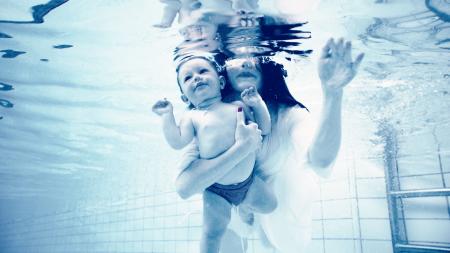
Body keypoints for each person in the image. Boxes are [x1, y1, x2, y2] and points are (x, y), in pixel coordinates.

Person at [174, 38, 364, 253]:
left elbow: (321, 161)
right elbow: (185, 186)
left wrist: (333, 93)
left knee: (279, 241)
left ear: (267, 67)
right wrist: (241, 149)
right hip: (229, 202)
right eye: (236, 57)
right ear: (222, 73)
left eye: (255, 56)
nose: (246, 62)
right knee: (223, 232)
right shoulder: (206, 119)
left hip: (281, 208)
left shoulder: (288, 116)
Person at [152, 54, 277, 253]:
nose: (197, 78)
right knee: (212, 233)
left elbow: (264, 127)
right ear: (185, 97)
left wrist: (257, 103)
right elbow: (177, 142)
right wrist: (167, 117)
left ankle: (244, 207)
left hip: (248, 182)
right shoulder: (192, 117)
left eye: (202, 71)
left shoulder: (238, 106)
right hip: (217, 190)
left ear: (220, 82)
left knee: (271, 205)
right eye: (188, 78)